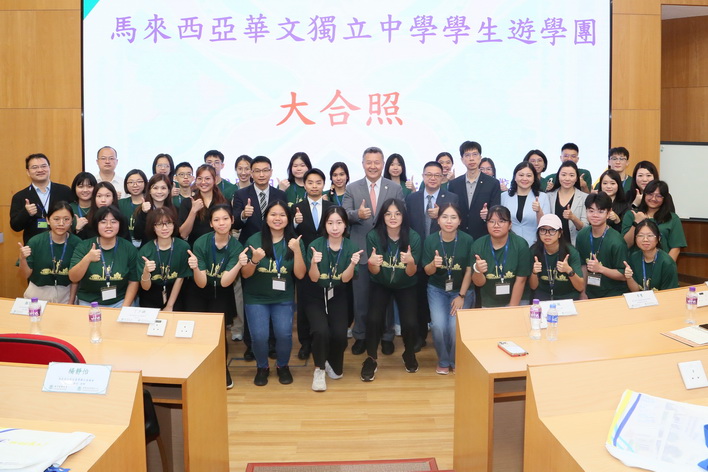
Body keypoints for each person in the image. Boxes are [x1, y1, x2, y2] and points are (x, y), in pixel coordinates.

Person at [342, 147, 404, 355]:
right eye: (369, 162)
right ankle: (360, 335)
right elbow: (343, 214)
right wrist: (357, 214)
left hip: (387, 252)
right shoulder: (352, 188)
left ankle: (386, 336)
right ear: (362, 164)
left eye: (377, 162)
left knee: (386, 299)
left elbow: (402, 213)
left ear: (383, 164)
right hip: (361, 252)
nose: (373, 166)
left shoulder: (394, 188)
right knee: (360, 300)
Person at [241, 201, 306, 386]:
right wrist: (254, 260)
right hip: (256, 298)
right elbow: (245, 274)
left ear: (289, 218)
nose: (278, 218)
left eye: (282, 215)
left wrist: (297, 251)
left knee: (284, 335)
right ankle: (262, 367)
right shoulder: (254, 240)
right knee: (259, 337)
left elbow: (300, 274)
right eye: (273, 214)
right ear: (266, 217)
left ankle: (282, 366)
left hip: (283, 298)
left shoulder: (295, 241)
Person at [186, 204, 248, 390]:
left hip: (221, 291)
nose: (222, 223)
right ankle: (197, 371)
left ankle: (222, 369)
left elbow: (226, 282)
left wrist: (239, 265)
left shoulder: (236, 246)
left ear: (232, 220)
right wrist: (195, 268)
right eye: (216, 220)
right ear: (211, 224)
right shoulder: (201, 243)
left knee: (219, 334)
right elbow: (201, 282)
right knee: (198, 333)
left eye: (225, 219)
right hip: (198, 290)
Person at [361, 198, 421, 381]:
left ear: (404, 216)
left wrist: (410, 262)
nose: (393, 217)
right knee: (373, 319)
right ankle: (371, 358)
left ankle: (409, 353)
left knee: (410, 322)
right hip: (381, 282)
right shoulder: (373, 236)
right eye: (388, 214)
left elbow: (411, 273)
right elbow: (374, 271)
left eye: (397, 213)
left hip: (406, 284)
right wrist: (372, 264)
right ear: (382, 216)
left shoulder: (413, 237)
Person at [305, 206, 361, 391]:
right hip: (315, 294)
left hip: (338, 294)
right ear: (325, 225)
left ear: (345, 225)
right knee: (320, 331)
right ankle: (319, 369)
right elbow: (313, 278)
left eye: (339, 223)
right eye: (330, 223)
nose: (335, 227)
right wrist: (314, 263)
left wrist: (352, 264)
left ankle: (330, 362)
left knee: (340, 335)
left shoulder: (351, 247)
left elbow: (345, 279)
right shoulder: (315, 245)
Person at [406, 161, 459, 349]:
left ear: (442, 177)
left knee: (441, 295)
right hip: (419, 255)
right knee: (419, 298)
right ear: (423, 176)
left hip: (443, 256)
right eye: (429, 174)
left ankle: (446, 338)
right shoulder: (412, 198)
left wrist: (440, 214)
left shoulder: (451, 198)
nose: (433, 178)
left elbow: (455, 223)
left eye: (437, 175)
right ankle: (420, 336)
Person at [422, 203, 474, 375]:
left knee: (454, 327)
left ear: (460, 221)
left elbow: (469, 271)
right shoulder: (431, 240)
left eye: (453, 217)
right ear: (438, 220)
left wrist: (461, 296)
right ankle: (444, 360)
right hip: (437, 289)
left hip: (461, 290)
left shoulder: (467, 240)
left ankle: (456, 360)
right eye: (444, 217)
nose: (449, 221)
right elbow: (427, 271)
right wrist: (433, 264)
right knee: (438, 326)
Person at [292, 168, 334, 360]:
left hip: (327, 261)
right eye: (310, 182)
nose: (314, 186)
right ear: (305, 185)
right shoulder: (296, 208)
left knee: (328, 301)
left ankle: (326, 339)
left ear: (324, 184)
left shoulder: (331, 207)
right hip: (304, 261)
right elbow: (289, 233)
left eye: (318, 182)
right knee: (303, 303)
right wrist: (295, 222)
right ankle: (305, 343)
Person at [69, 205, 139, 307]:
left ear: (120, 224)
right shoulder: (84, 246)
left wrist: (124, 307)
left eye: (113, 222)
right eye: (103, 222)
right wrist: (87, 259)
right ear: (96, 224)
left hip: (120, 301)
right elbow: (73, 278)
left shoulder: (129, 248)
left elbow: (133, 281)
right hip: (89, 302)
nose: (109, 225)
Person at [18, 201, 81, 304]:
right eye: (56, 219)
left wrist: (71, 300)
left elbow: (76, 278)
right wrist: (22, 259)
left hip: (66, 292)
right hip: (38, 292)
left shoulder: (77, 243)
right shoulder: (35, 241)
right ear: (48, 220)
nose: (61, 223)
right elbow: (25, 275)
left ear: (71, 221)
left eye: (66, 219)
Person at [471, 205, 531, 308]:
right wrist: (478, 270)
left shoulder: (521, 244)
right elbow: (479, 283)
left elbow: (521, 280)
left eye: (501, 221)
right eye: (491, 221)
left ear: (510, 225)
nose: (496, 225)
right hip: (490, 301)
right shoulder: (478, 245)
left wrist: (512, 307)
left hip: (518, 299)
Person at [10, 153, 73, 244]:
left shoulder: (64, 191)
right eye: (35, 167)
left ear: (49, 168)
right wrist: (26, 213)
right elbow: (15, 226)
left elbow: (72, 217)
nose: (40, 170)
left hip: (63, 244)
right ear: (28, 172)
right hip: (35, 246)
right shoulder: (20, 196)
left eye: (43, 166)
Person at [575, 192, 627, 299]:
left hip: (613, 294)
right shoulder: (582, 235)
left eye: (600, 211)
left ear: (608, 213)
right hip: (590, 292)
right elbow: (583, 266)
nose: (595, 215)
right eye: (591, 211)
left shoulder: (617, 241)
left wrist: (600, 269)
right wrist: (583, 292)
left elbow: (624, 275)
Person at [137, 207, 190, 310]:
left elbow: (180, 279)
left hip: (175, 292)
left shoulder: (183, 247)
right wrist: (146, 272)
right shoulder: (145, 251)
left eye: (168, 223)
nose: (165, 228)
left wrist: (169, 305)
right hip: (150, 294)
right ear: (153, 227)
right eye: (159, 224)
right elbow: (145, 287)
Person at [621, 180, 686, 262]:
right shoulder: (631, 214)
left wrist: (667, 266)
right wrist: (636, 223)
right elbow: (626, 244)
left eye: (659, 196)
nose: (653, 198)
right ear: (644, 195)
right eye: (650, 194)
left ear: (665, 198)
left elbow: (675, 248)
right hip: (636, 264)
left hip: (662, 264)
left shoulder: (672, 218)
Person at [448, 141, 501, 239]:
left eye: (475, 154)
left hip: (484, 236)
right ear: (462, 159)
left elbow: (496, 210)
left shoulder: (492, 183)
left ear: (480, 157)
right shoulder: (454, 184)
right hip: (459, 236)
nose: (471, 158)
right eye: (467, 155)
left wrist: (488, 214)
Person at [528, 214, 585, 301]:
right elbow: (533, 287)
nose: (547, 234)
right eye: (543, 230)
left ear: (560, 233)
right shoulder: (534, 251)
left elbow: (580, 287)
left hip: (567, 296)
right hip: (543, 296)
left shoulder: (570, 252)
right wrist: (534, 272)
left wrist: (569, 271)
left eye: (552, 230)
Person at [233, 156, 288, 244]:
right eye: (257, 171)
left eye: (265, 170)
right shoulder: (240, 194)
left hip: (274, 243)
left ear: (271, 172)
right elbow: (235, 224)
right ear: (251, 173)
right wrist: (243, 215)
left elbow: (286, 221)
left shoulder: (280, 195)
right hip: (249, 243)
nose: (261, 175)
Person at [501, 161, 550, 246]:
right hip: (510, 245)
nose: (524, 179)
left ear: (534, 178)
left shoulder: (543, 197)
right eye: (521, 175)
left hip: (535, 245)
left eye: (529, 176)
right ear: (515, 177)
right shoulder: (504, 196)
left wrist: (539, 211)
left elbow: (546, 225)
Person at [179, 164, 230, 245]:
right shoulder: (187, 202)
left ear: (214, 180)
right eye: (199, 178)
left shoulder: (224, 202)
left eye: (207, 178)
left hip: (219, 248)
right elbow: (183, 234)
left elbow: (228, 229)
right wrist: (193, 211)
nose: (203, 182)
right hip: (195, 248)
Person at [623, 219, 679, 292]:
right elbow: (635, 290)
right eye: (640, 235)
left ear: (658, 238)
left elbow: (669, 293)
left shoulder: (667, 263)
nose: (645, 239)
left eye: (650, 235)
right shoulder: (634, 257)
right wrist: (629, 277)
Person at [545, 161, 587, 245]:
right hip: (552, 246)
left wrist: (573, 218)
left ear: (576, 178)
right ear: (558, 176)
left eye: (571, 175)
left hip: (575, 246)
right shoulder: (548, 196)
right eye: (563, 175)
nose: (567, 179)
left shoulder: (584, 198)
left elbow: (585, 228)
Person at [133, 174, 175, 243]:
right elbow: (137, 236)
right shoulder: (141, 210)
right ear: (149, 191)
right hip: (148, 248)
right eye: (155, 188)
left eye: (163, 188)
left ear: (169, 191)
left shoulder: (175, 210)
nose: (159, 192)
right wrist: (144, 213)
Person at [118, 169, 147, 247]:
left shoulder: (149, 204)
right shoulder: (120, 203)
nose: (135, 185)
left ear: (145, 183)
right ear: (126, 184)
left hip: (146, 246)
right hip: (124, 246)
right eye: (131, 182)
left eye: (139, 181)